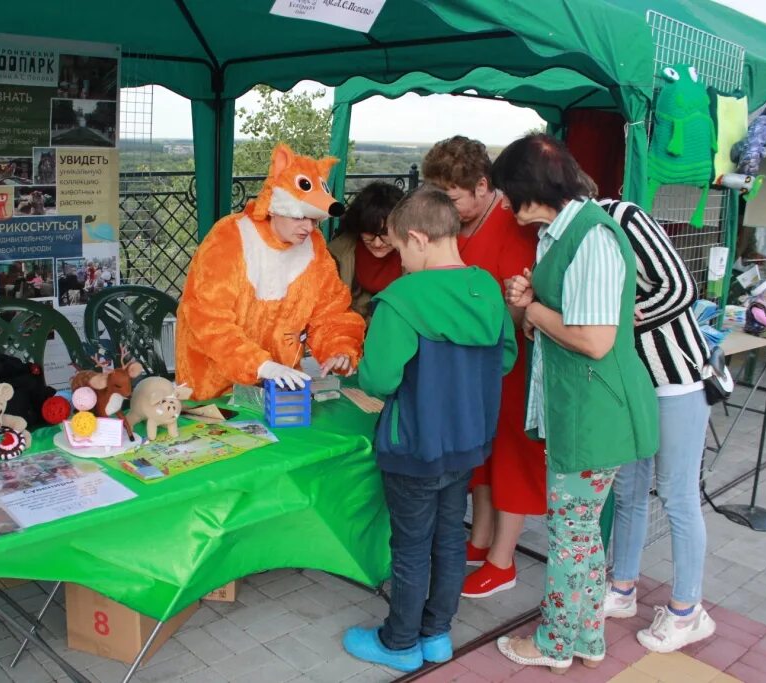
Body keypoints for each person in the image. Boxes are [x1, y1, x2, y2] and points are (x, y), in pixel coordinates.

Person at [496, 134, 658, 673]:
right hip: (578, 407)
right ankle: (587, 639)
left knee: (570, 535)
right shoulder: (561, 234)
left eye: (506, 192)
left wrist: (534, 311)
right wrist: (531, 303)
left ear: (528, 189)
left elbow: (594, 339)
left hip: (594, 411)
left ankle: (555, 643)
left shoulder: (590, 237)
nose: (503, 203)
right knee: (582, 532)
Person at [342, 185, 517, 672]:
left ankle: (399, 642)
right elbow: (505, 358)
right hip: (467, 441)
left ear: (418, 239)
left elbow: (378, 379)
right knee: (446, 538)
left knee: (411, 545)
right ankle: (436, 635)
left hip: (413, 443)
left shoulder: (401, 299)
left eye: (399, 249)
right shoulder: (486, 288)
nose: (398, 261)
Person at [422, 135, 546, 597]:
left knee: (512, 453)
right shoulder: (460, 223)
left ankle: (503, 559)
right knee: (483, 451)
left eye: (453, 198)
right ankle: (479, 539)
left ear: (481, 184)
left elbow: (523, 302)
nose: (449, 210)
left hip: (512, 357)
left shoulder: (516, 224)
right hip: (472, 362)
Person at [598, 198, 717, 652]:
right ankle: (623, 587)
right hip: (637, 386)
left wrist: (625, 314)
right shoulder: (572, 238)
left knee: (677, 495)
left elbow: (680, 288)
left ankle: (688, 611)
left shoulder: (621, 217)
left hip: (679, 381)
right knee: (628, 490)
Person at [176, 143, 366, 400]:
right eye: (300, 217)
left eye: (314, 220)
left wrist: (339, 349)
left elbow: (330, 311)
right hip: (213, 388)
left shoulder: (315, 247)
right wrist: (261, 365)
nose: (308, 228)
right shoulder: (230, 237)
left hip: (279, 388)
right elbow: (208, 318)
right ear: (276, 208)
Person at [327, 182, 405, 320]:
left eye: (385, 233)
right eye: (369, 233)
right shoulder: (336, 254)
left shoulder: (420, 256)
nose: (377, 243)